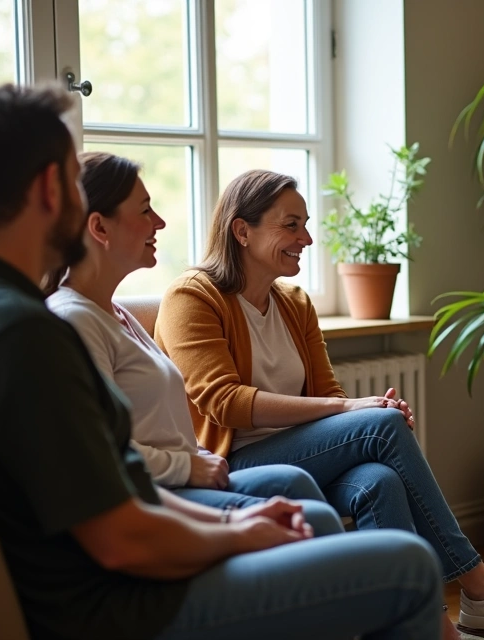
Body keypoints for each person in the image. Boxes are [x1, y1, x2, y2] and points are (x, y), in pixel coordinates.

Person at [0, 83, 443, 640]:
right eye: (75, 179)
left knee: (302, 518)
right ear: (52, 188)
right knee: (408, 567)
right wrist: (235, 534)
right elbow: (122, 540)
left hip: (71, 584)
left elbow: (113, 486)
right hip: (112, 605)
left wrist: (228, 520)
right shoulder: (23, 336)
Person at [154, 169, 484, 634]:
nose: (306, 238)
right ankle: (477, 583)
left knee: (379, 480)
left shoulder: (295, 302)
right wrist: (356, 414)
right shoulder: (192, 296)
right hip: (233, 463)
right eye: (291, 224)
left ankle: (427, 624)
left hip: (306, 454)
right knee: (381, 426)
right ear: (242, 230)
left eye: (305, 224)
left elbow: (330, 394)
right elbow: (223, 401)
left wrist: (361, 410)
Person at [45, 151, 339, 534]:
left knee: (368, 475)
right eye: (146, 210)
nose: (160, 222)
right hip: (164, 489)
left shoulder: (116, 315)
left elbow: (167, 429)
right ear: (99, 228)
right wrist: (191, 466)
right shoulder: (74, 319)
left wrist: (195, 456)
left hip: (187, 474)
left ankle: (417, 585)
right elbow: (96, 455)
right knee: (319, 477)